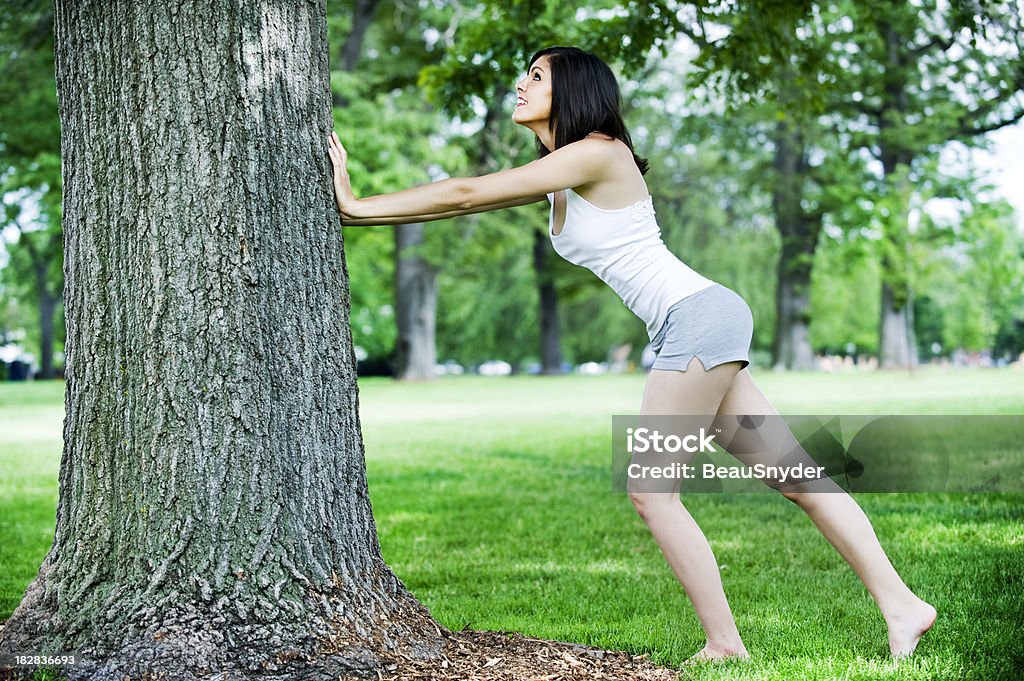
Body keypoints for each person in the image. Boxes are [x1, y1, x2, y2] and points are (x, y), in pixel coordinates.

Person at [327, 45, 935, 664]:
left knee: (653, 492)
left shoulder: (598, 151)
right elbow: (473, 199)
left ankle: (726, 645)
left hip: (695, 318)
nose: (520, 85)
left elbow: (461, 193)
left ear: (573, 92)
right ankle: (904, 607)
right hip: (697, 321)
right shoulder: (564, 169)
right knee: (795, 475)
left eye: (536, 77)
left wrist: (355, 207)